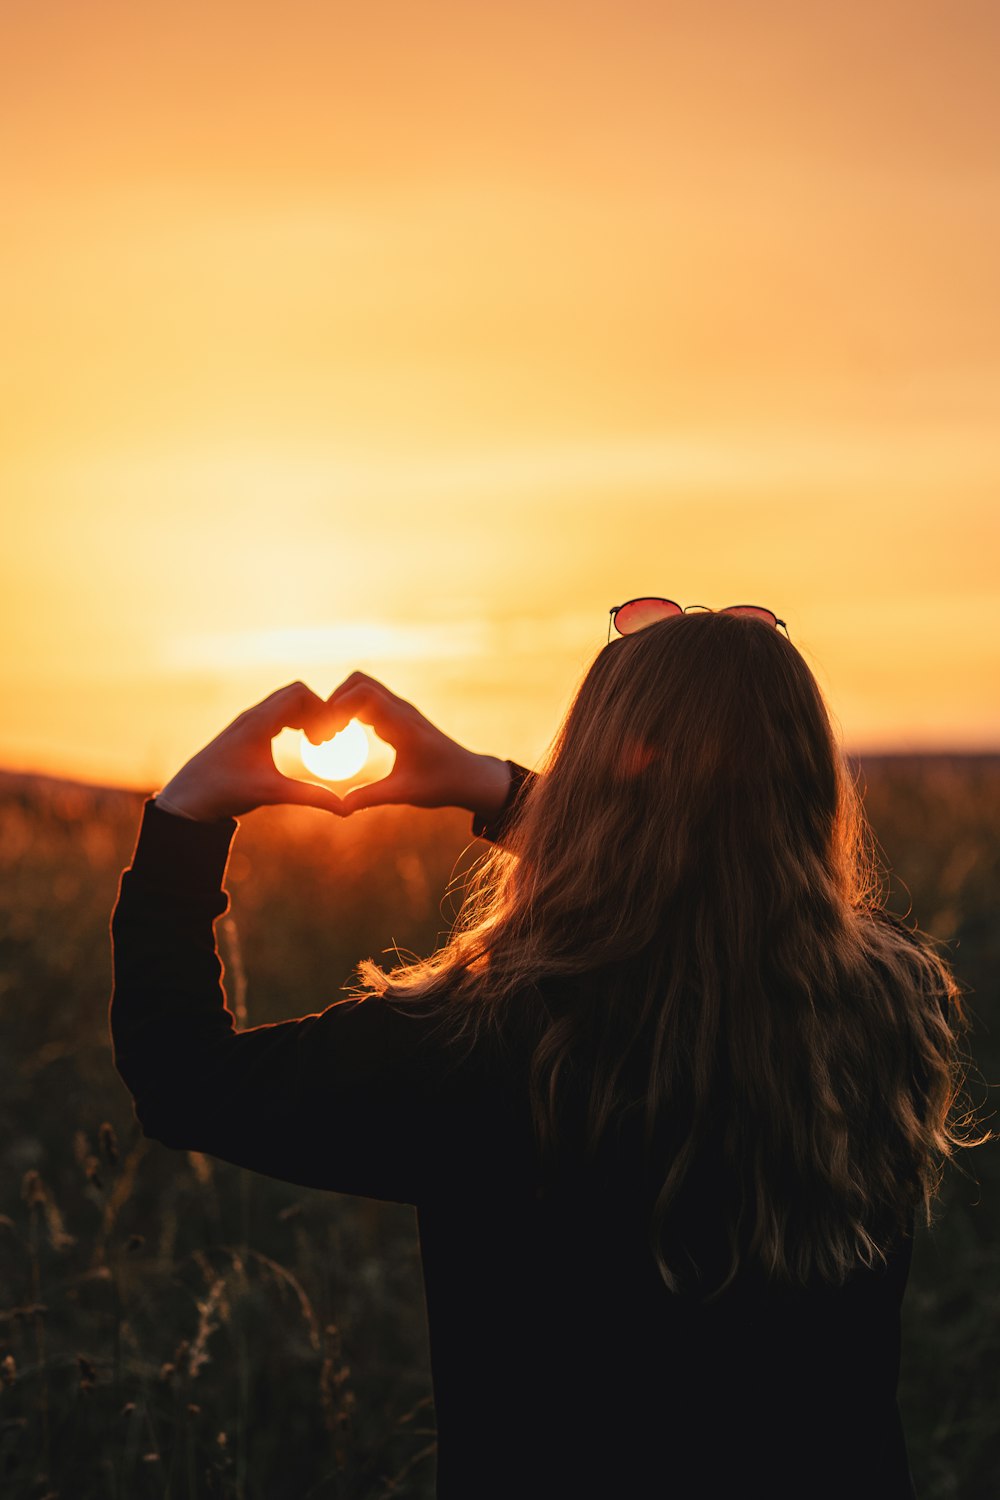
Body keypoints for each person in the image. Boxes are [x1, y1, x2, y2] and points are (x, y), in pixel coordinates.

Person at [110, 602, 975, 1499]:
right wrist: (486, 785)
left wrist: (188, 814)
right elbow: (707, 870)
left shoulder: (488, 1040)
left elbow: (183, 1081)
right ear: (807, 779)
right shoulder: (893, 1002)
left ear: (597, 777)